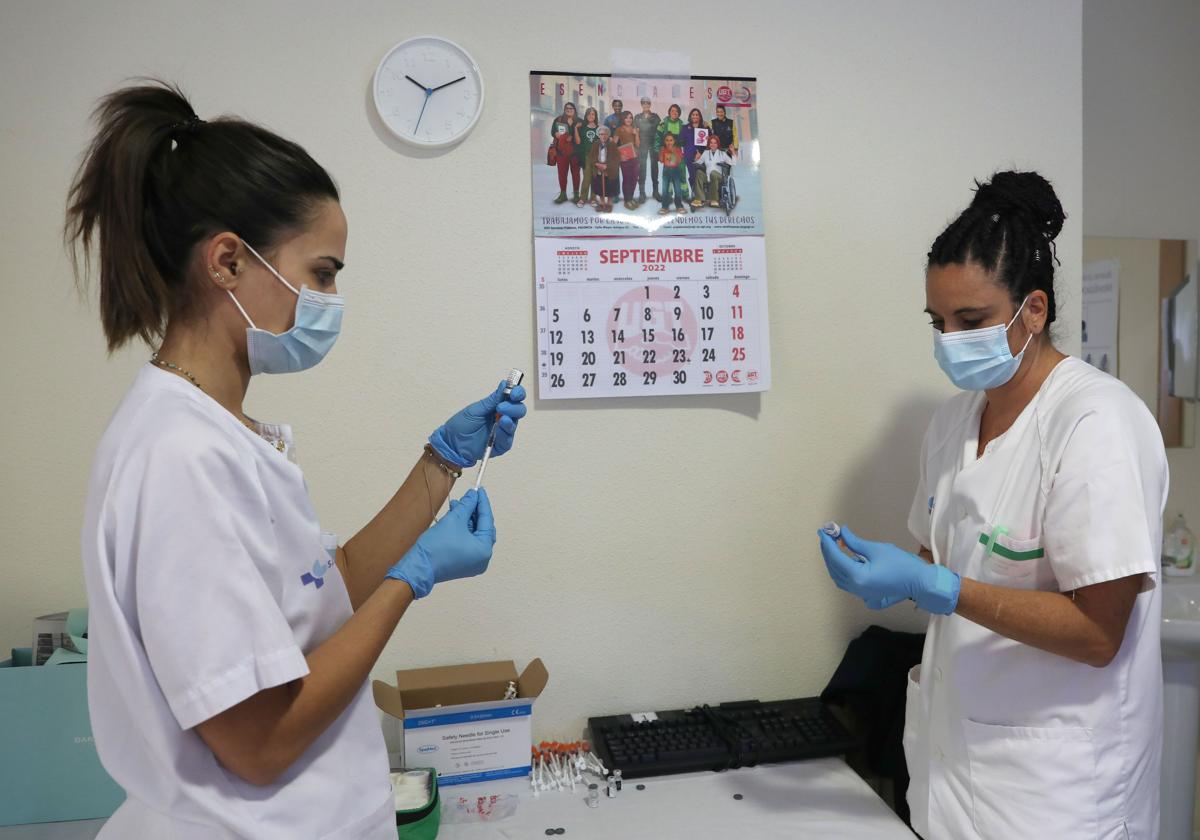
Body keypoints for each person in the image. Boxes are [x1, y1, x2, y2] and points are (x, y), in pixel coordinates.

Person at [66, 81, 528, 839]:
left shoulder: (216, 430)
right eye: (321, 272)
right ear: (227, 263)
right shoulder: (177, 457)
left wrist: (442, 462)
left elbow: (322, 597)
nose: (332, 297)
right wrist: (412, 583)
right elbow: (261, 741)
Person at [818, 171, 1165, 840]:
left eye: (970, 321)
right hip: (953, 778)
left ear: (1032, 310)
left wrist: (938, 586)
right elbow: (943, 558)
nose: (949, 340)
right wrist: (888, 569)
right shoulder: (953, 423)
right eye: (938, 322)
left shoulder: (1097, 422)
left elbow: (1098, 633)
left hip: (1059, 797)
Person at [549, 101, 581, 204]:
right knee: (562, 174)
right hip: (561, 152)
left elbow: (582, 137)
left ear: (574, 110)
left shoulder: (580, 121)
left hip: (575, 153)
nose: (569, 109)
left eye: (571, 108)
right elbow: (553, 132)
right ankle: (563, 194)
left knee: (576, 174)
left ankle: (576, 194)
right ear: (564, 109)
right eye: (567, 108)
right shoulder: (558, 120)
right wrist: (556, 134)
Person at [692, 133, 733, 208]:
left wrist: (732, 152)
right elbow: (699, 162)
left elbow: (732, 163)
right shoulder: (706, 153)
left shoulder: (722, 153)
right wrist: (696, 158)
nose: (713, 144)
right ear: (709, 144)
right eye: (711, 142)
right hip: (708, 176)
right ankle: (699, 199)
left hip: (719, 177)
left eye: (715, 143)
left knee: (713, 173)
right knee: (699, 172)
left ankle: (714, 199)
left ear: (717, 144)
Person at [633, 96, 661, 204]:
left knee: (655, 167)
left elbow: (658, 129)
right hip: (642, 143)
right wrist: (637, 138)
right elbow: (636, 130)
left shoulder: (655, 116)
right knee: (642, 167)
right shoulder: (637, 117)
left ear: (650, 105)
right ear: (641, 105)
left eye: (647, 103)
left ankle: (655, 192)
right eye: (644, 103)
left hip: (653, 143)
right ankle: (642, 193)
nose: (646, 105)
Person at [680, 108, 709, 207]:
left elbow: (709, 141)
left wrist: (700, 153)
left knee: (701, 175)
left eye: (697, 115)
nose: (695, 116)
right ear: (690, 116)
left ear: (700, 117)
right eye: (693, 114)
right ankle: (696, 194)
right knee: (692, 175)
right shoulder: (685, 127)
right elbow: (681, 140)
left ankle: (702, 194)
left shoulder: (704, 127)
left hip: (702, 155)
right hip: (689, 155)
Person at [587, 125, 619, 213]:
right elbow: (591, 157)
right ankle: (601, 203)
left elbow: (616, 158)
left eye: (605, 134)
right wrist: (596, 163)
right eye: (601, 134)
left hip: (610, 170)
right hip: (598, 169)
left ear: (608, 135)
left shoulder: (612, 144)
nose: (603, 136)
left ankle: (609, 204)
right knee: (600, 187)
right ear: (598, 135)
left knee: (610, 187)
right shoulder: (596, 144)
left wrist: (607, 166)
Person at [574, 107, 601, 208]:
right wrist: (576, 128)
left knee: (595, 178)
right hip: (586, 157)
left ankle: (593, 198)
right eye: (589, 114)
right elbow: (578, 142)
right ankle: (582, 198)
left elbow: (602, 142)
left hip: (596, 157)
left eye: (593, 114)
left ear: (595, 116)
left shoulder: (598, 128)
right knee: (586, 178)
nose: (591, 116)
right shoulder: (582, 128)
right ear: (586, 116)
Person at [614, 110, 640, 210]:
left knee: (634, 178)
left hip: (634, 156)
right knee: (627, 179)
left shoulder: (635, 129)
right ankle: (627, 200)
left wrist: (636, 134)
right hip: (624, 158)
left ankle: (631, 198)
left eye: (630, 117)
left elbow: (638, 144)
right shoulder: (619, 129)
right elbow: (613, 144)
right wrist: (620, 154)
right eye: (626, 117)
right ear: (622, 119)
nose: (628, 119)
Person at [657, 133, 686, 215]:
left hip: (676, 170)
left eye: (671, 140)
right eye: (667, 140)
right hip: (666, 170)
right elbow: (661, 160)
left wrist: (673, 151)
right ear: (664, 141)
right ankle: (664, 206)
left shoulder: (677, 149)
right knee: (665, 189)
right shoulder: (663, 149)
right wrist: (661, 151)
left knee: (677, 189)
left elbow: (680, 160)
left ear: (674, 141)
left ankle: (679, 205)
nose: (669, 142)